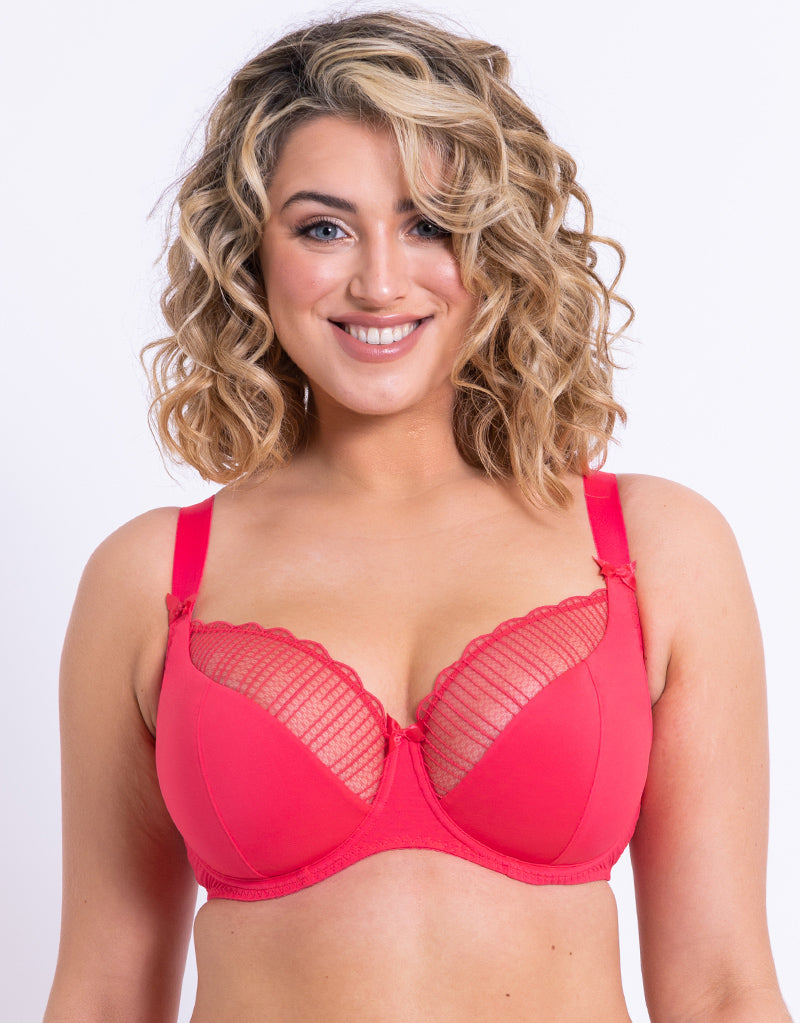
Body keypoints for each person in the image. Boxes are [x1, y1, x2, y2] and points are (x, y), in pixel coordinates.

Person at [44, 10, 791, 1023]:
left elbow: (721, 990)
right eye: (324, 227)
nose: (381, 281)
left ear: (497, 245)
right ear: (249, 253)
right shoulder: (150, 578)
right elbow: (102, 995)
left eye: (430, 223)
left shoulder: (656, 550)